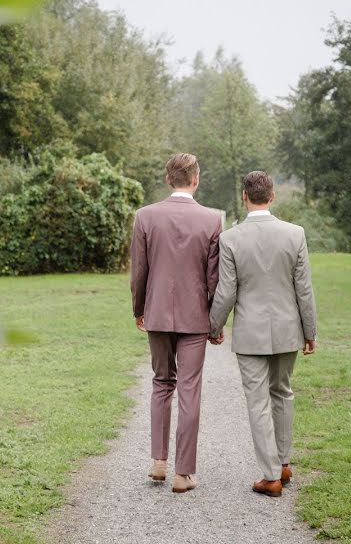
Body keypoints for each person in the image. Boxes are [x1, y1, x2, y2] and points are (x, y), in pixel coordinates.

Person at [209, 170, 317, 497]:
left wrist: (214, 326)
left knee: (258, 402)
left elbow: (226, 292)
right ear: (272, 196)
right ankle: (283, 464)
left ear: (245, 197)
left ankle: (271, 475)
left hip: (250, 333)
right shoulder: (295, 234)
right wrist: (309, 332)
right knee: (282, 392)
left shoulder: (230, 238)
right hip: (288, 329)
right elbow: (304, 290)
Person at [129, 153, 223, 493]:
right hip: (196, 317)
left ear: (169, 179)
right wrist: (216, 322)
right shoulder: (212, 220)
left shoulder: (145, 216)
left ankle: (158, 461)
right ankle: (183, 474)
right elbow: (214, 279)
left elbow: (139, 272)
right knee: (189, 389)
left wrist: (139, 309)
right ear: (196, 179)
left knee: (161, 382)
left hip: (156, 313)